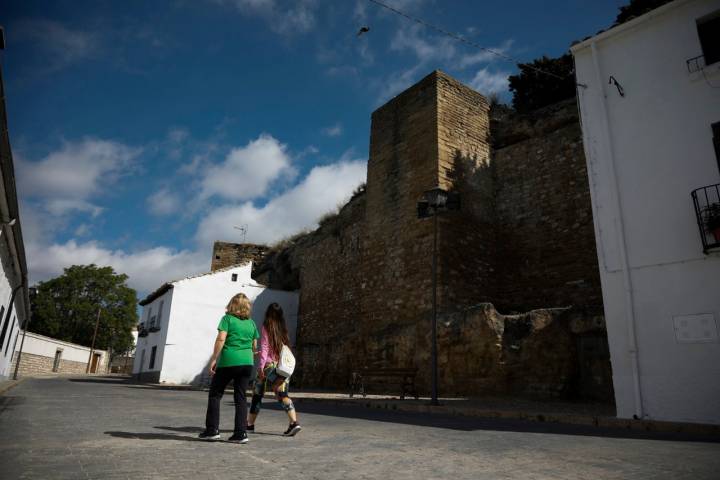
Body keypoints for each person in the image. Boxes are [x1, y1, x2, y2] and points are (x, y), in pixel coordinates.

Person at [198, 293, 259, 444]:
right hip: (247, 363)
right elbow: (254, 346)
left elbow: (221, 338)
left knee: (215, 394)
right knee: (241, 397)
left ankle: (212, 430)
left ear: (233, 304)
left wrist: (213, 359)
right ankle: (240, 433)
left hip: (229, 361)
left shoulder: (227, 319)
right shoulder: (251, 323)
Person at [247, 302, 302, 436]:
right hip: (283, 367)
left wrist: (260, 367)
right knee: (282, 394)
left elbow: (265, 348)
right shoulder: (283, 328)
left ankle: (250, 425)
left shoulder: (267, 326)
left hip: (269, 367)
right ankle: (294, 422)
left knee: (257, 395)